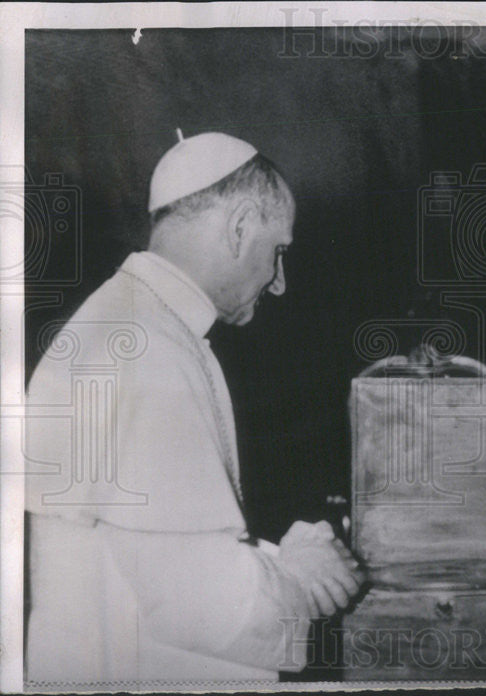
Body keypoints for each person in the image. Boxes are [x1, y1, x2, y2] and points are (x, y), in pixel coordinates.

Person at [24, 132, 362, 686]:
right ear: (239, 227)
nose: (279, 283)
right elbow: (198, 605)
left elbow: (159, 552)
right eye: (278, 251)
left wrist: (282, 558)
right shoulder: (145, 347)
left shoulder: (134, 323)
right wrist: (300, 579)